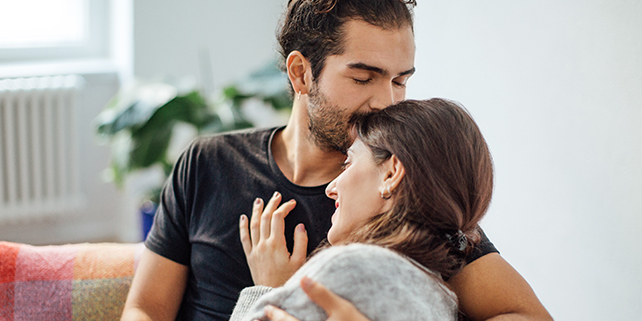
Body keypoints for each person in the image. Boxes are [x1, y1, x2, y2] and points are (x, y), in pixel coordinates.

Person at [121, 1, 552, 320]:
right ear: (301, 73)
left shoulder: (402, 190)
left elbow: (528, 317)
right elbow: (144, 308)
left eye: (400, 80)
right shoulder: (206, 164)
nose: (387, 102)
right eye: (363, 77)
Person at [231, 99, 493, 321]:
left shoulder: (348, 268)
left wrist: (268, 289)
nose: (330, 188)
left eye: (348, 162)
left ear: (391, 173)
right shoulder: (442, 296)